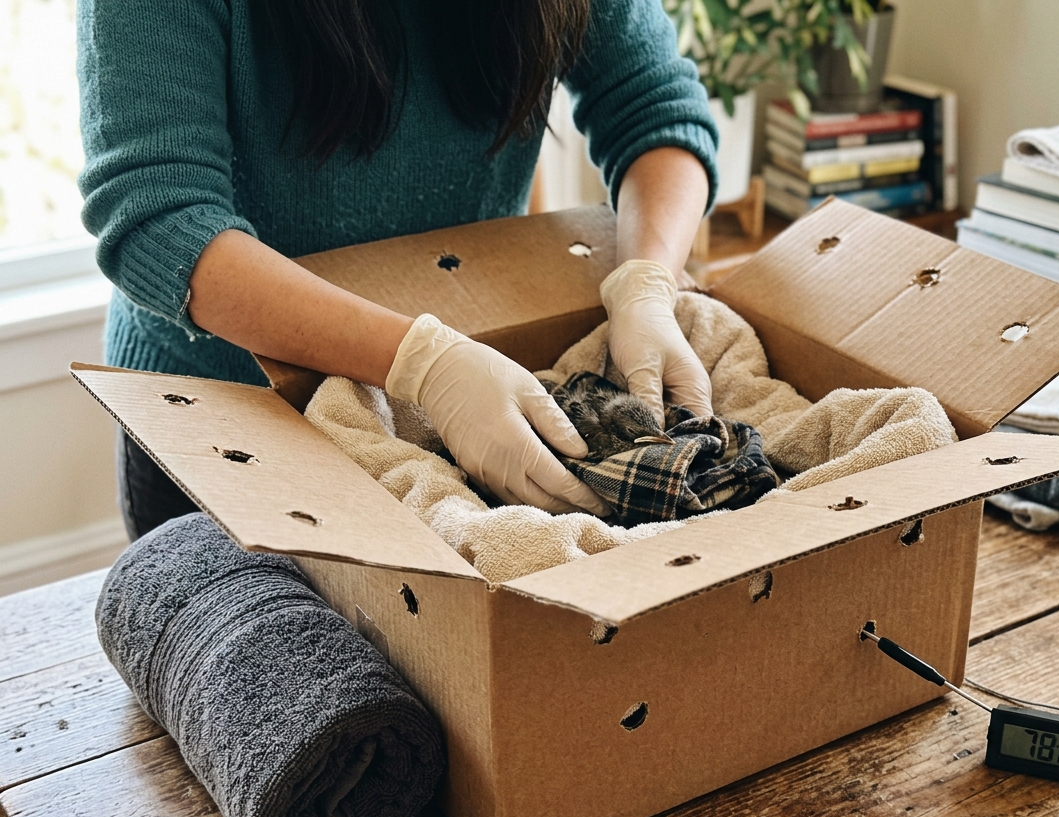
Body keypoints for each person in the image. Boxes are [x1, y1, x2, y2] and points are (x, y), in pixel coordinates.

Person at [78, 0, 719, 540]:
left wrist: (646, 285)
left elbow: (655, 108)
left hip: (476, 387)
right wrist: (424, 365)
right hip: (230, 420)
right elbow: (156, 218)